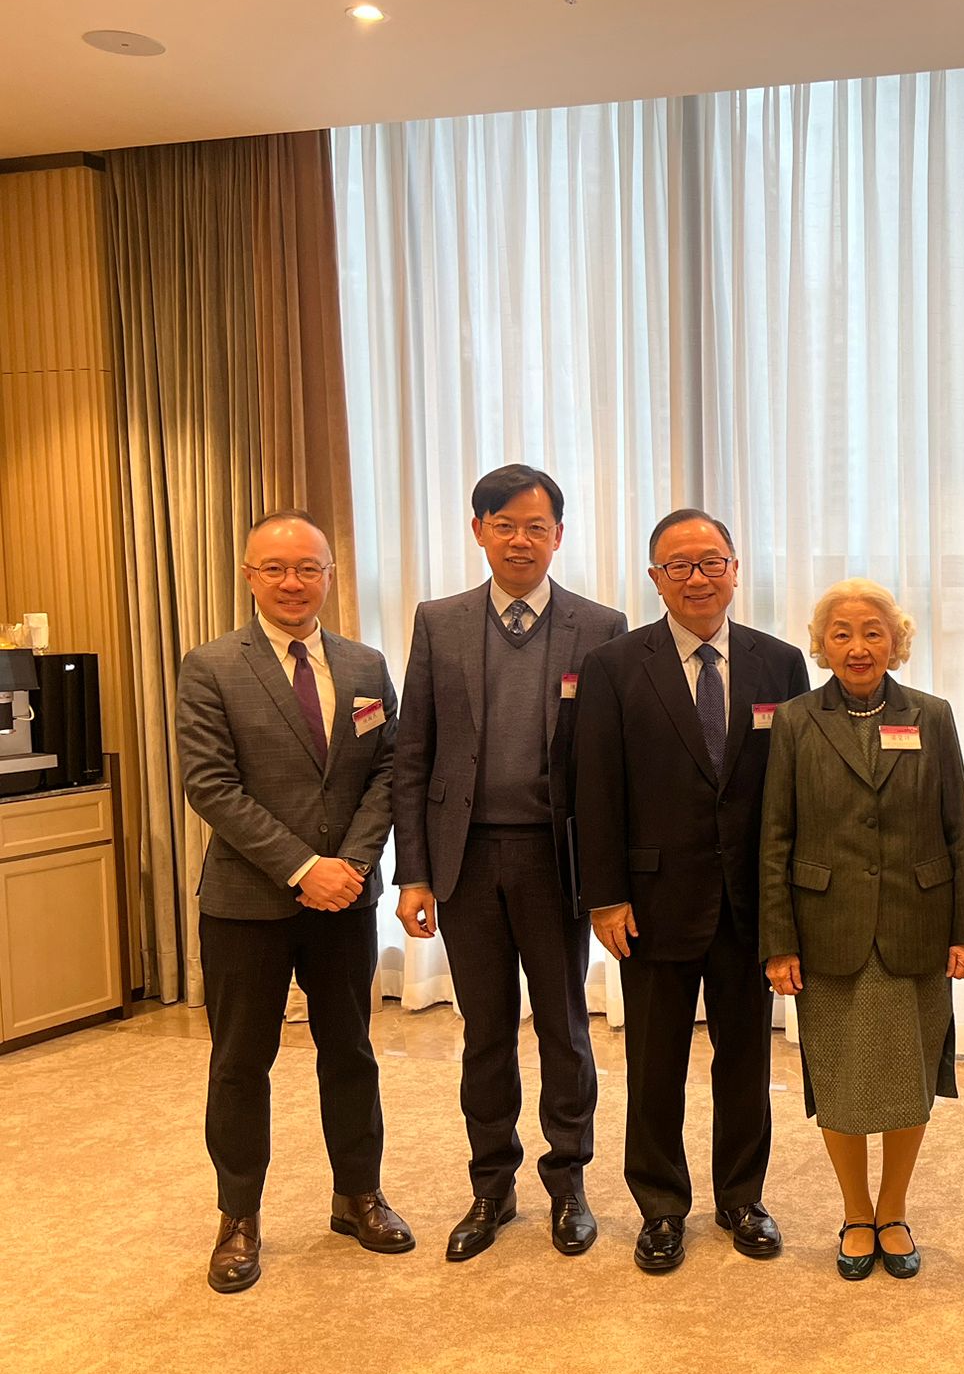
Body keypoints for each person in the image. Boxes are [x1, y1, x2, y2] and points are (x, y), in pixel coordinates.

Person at [390, 464, 627, 1262]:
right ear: (479, 531)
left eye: (536, 527)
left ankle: (569, 1183)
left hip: (554, 861)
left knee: (565, 1027)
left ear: (559, 536)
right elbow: (413, 753)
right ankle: (491, 1186)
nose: (520, 540)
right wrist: (413, 873)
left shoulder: (600, 626)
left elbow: (611, 765)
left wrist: (609, 879)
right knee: (485, 1031)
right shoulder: (439, 621)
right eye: (504, 525)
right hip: (464, 860)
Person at [176, 510, 409, 1293]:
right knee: (241, 1064)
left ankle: (358, 1195)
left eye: (308, 567)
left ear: (330, 576)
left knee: (352, 1053)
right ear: (249, 576)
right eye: (274, 568)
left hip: (345, 900)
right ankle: (238, 1216)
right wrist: (303, 866)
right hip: (247, 903)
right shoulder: (211, 666)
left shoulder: (366, 665)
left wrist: (351, 864)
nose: (292, 582)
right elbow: (210, 785)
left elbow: (388, 770)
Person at [573, 509, 810, 1273]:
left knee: (745, 1063)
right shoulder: (614, 665)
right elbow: (594, 788)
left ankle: (742, 1197)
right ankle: (661, 1206)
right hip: (650, 902)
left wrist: (789, 905)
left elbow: (795, 790)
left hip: (749, 903)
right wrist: (605, 896)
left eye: (711, 562)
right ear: (655, 578)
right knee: (655, 1066)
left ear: (736, 569)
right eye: (679, 565)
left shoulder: (780, 664)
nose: (697, 578)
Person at [758, 580, 964, 1281]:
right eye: (842, 633)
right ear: (821, 645)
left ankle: (894, 1210)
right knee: (841, 1079)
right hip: (827, 929)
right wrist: (779, 942)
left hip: (916, 925)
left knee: (909, 1077)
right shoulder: (795, 720)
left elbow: (957, 826)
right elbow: (775, 838)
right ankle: (856, 1213)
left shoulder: (932, 715)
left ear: (897, 641)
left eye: (873, 632)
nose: (858, 646)